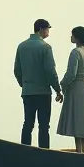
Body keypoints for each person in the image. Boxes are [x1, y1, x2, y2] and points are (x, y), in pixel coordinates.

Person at [13, 19, 63, 149]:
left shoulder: (21, 46)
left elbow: (17, 70)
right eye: (47, 29)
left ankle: (24, 150)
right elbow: (50, 71)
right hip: (43, 92)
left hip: (28, 92)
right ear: (41, 29)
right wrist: (58, 90)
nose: (48, 32)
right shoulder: (45, 47)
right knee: (44, 125)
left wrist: (24, 85)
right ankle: (44, 152)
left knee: (28, 123)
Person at [57, 26, 84, 153]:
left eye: (72, 35)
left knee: (76, 120)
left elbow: (71, 74)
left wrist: (62, 85)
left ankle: (78, 152)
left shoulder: (75, 52)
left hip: (77, 87)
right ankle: (83, 151)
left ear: (77, 37)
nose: (71, 37)